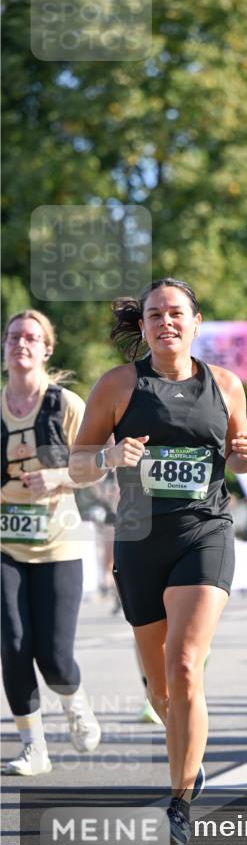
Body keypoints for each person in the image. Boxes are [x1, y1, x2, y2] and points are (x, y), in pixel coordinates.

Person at [69, 278, 247, 845]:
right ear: (144, 325)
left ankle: (178, 805)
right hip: (139, 541)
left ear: (197, 321)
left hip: (204, 533)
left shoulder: (226, 385)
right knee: (160, 690)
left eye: (177, 313)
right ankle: (189, 756)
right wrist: (107, 456)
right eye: (155, 314)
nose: (166, 322)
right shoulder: (118, 386)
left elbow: (239, 457)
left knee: (184, 664)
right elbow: (77, 466)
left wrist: (245, 458)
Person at [1, 310, 101, 775]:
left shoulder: (66, 406)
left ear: (46, 349)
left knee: (56, 658)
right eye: (13, 336)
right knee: (14, 645)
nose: (21, 343)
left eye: (31, 337)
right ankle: (32, 747)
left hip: (60, 542)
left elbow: (101, 463)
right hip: (6, 546)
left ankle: (74, 698)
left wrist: (60, 475)